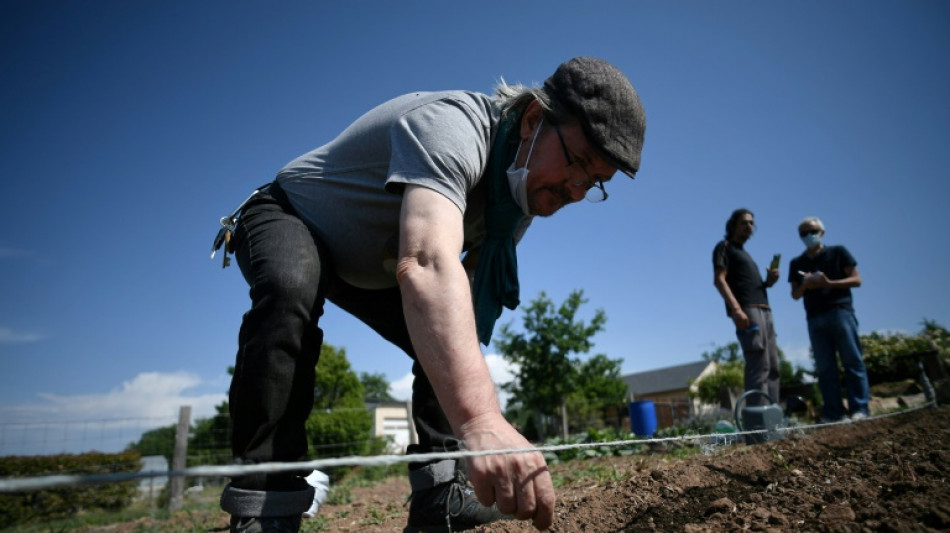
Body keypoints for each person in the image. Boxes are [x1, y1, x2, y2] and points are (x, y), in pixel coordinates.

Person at [211, 57, 646, 533]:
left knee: (452, 333)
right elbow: (425, 265)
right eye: (577, 163)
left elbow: (460, 306)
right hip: (292, 214)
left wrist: (461, 354)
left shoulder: (515, 203)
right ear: (532, 120)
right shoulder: (452, 127)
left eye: (595, 182)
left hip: (368, 263)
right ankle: (266, 503)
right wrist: (481, 420)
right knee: (291, 287)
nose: (577, 191)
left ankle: (441, 495)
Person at [788, 217, 870, 423]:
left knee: (852, 361)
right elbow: (795, 294)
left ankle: (860, 408)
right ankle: (834, 413)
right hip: (814, 317)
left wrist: (828, 282)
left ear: (821, 232)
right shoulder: (796, 263)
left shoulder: (838, 252)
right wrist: (805, 285)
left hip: (840, 311)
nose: (809, 236)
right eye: (804, 233)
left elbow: (856, 279)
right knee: (825, 368)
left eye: (812, 231)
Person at [712, 209, 781, 406]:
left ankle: (773, 415)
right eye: (744, 222)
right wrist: (736, 310)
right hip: (747, 310)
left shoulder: (745, 254)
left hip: (765, 309)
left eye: (751, 223)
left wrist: (769, 282)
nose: (749, 226)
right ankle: (758, 418)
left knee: (773, 366)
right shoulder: (724, 247)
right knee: (758, 364)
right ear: (733, 225)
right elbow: (719, 280)